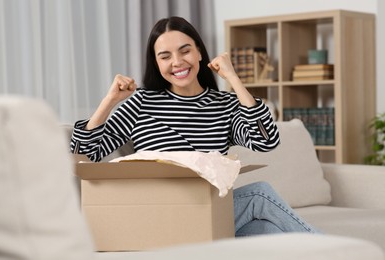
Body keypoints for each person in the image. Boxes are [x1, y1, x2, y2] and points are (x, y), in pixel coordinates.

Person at [71, 16, 319, 236]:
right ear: (157, 63)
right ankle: (337, 251)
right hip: (159, 213)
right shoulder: (142, 103)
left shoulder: (224, 105)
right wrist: (109, 101)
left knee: (269, 231)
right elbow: (85, 154)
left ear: (200, 52)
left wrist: (233, 79)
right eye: (165, 56)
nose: (177, 62)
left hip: (210, 212)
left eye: (185, 51)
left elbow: (266, 140)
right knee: (258, 194)